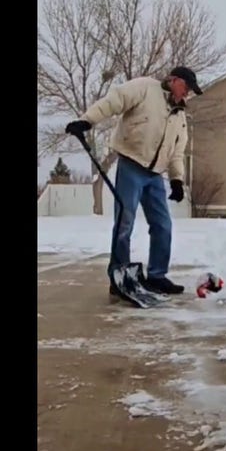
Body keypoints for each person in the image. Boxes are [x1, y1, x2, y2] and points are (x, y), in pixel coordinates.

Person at [64, 66, 204, 298]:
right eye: (186, 87)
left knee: (163, 225)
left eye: (190, 91)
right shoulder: (144, 88)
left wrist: (177, 179)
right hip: (131, 165)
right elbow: (114, 101)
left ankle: (157, 276)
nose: (187, 93)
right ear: (174, 80)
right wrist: (87, 121)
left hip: (156, 175)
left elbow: (177, 151)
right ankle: (118, 275)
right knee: (124, 222)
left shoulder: (179, 117)